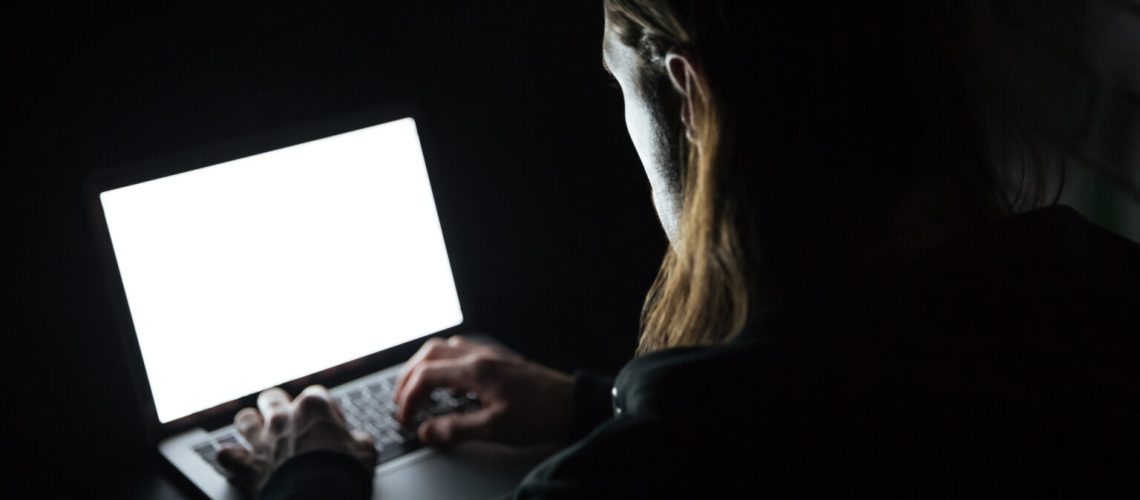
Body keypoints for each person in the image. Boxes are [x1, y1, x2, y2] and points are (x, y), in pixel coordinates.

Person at [218, 1, 1140, 498]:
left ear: (691, 101)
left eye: (619, 90)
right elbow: (854, 419)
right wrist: (595, 405)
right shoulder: (1105, 299)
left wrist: (314, 477)